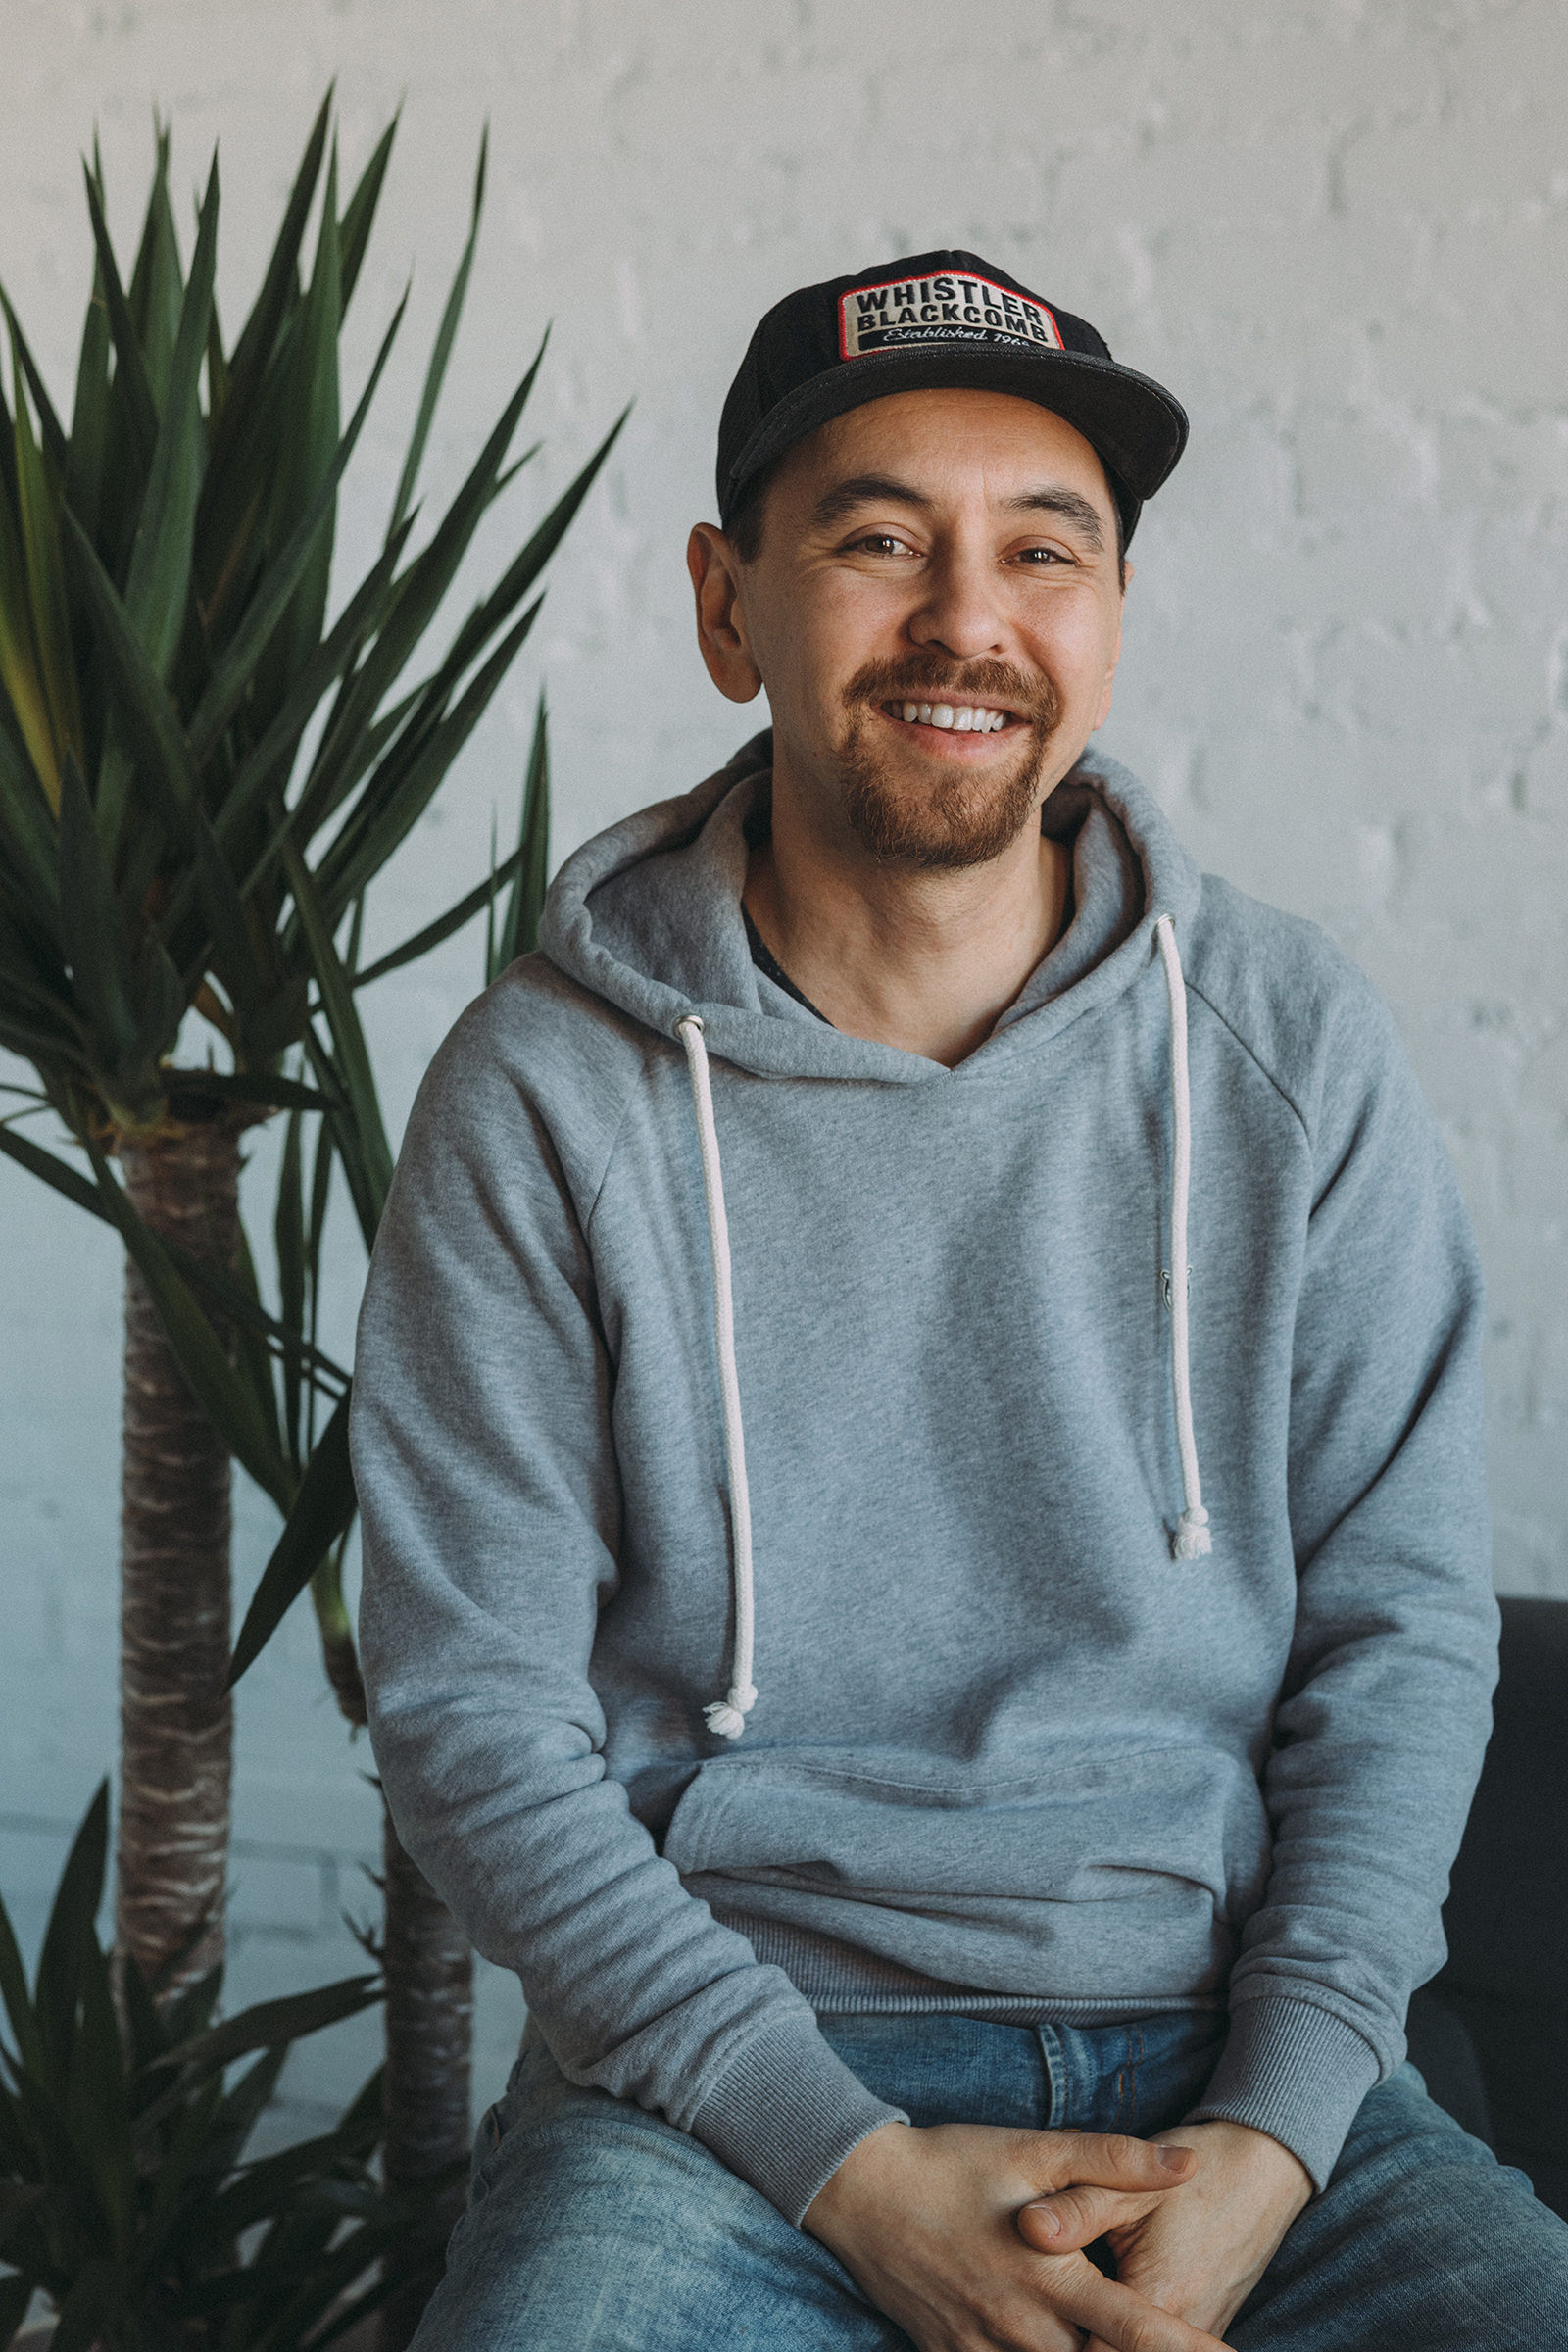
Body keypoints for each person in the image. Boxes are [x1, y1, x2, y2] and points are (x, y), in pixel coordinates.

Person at [350, 251, 1568, 2349]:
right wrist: (837, 2166)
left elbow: (1399, 1635)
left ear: (1106, 617)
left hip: (1232, 2061)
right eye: (878, 539)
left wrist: (1272, 2141)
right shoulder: (546, 1094)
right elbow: (470, 1714)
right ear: (727, 607)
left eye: (1041, 551)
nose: (962, 622)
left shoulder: (1281, 1046)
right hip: (724, 2091)